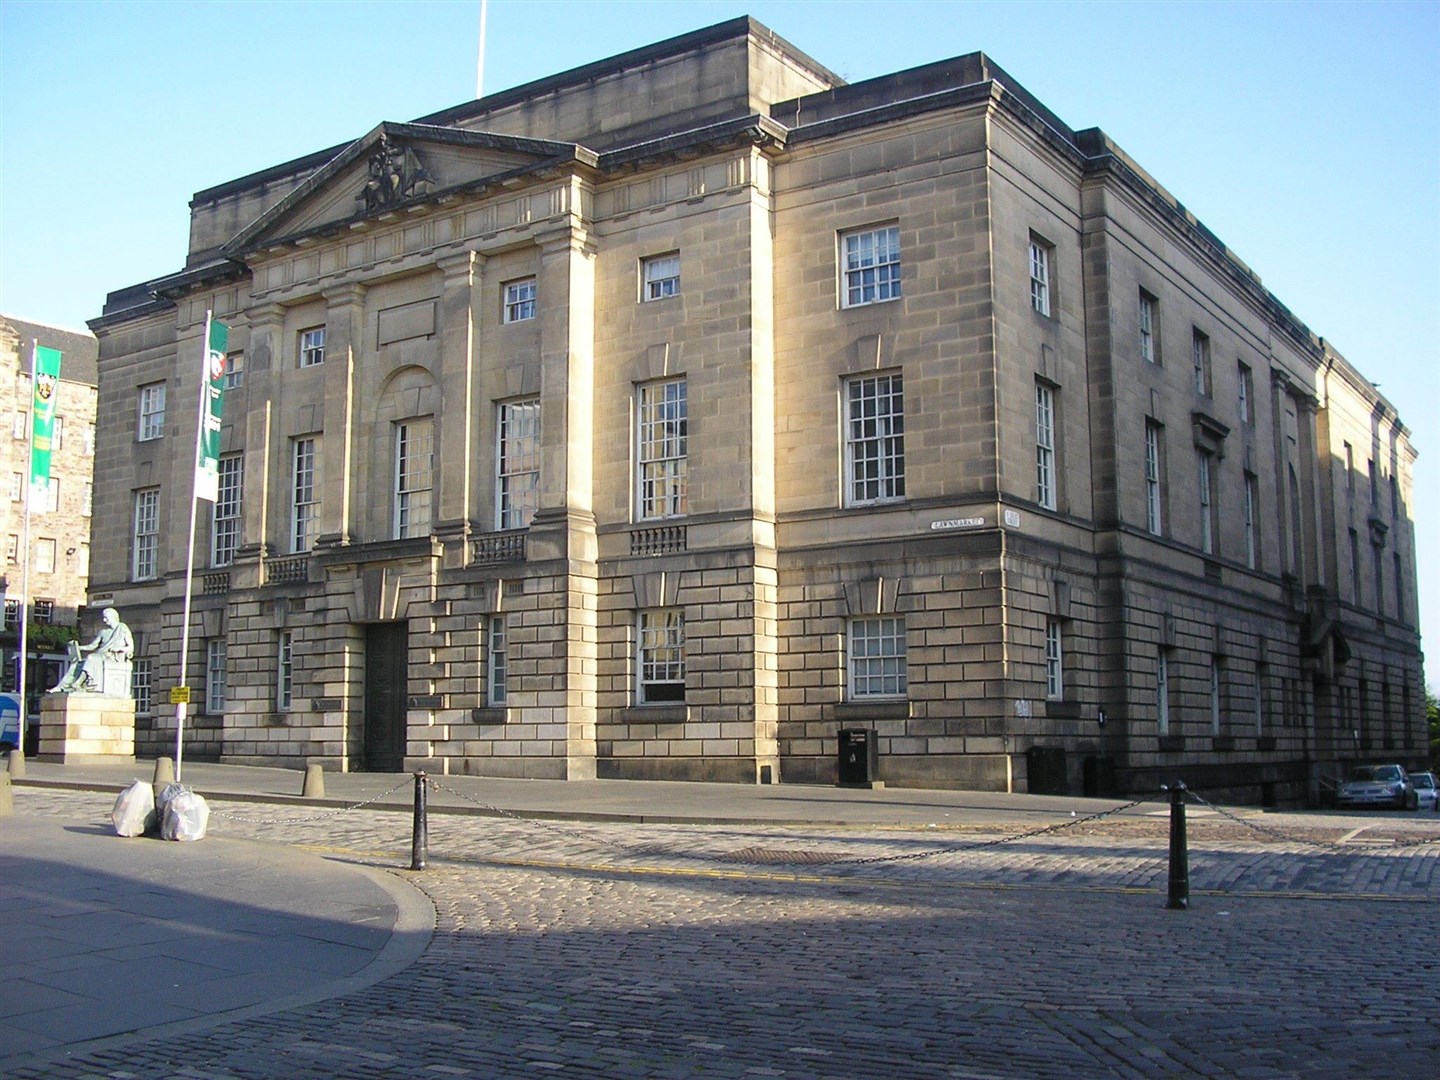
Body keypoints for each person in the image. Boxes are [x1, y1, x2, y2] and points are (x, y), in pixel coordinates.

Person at [49, 607, 134, 695]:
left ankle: (78, 683)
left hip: (112, 656)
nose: (104, 620)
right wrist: (79, 648)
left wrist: (119, 649)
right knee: (77, 664)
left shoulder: (122, 628)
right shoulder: (103, 632)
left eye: (106, 617)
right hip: (100, 655)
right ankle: (61, 687)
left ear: (113, 617)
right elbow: (92, 646)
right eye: (103, 618)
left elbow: (130, 648)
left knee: (91, 658)